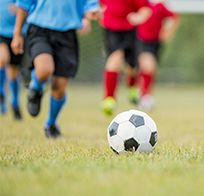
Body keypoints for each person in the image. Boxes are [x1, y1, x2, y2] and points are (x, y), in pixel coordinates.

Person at [11, 0, 99, 138]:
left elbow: (89, 5)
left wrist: (88, 17)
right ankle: (36, 88)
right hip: (40, 30)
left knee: (59, 88)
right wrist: (17, 34)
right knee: (45, 69)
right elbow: (23, 5)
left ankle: (50, 124)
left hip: (67, 35)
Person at [100, 0, 151, 116]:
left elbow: (145, 9)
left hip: (129, 30)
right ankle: (109, 99)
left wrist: (139, 17)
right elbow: (97, 5)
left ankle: (133, 87)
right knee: (115, 59)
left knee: (132, 67)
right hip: (111, 29)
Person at [136, 0, 180, 111]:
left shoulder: (160, 6)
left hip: (155, 43)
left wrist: (169, 31)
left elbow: (175, 17)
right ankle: (144, 96)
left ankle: (143, 94)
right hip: (140, 40)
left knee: (150, 69)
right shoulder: (140, 3)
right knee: (148, 65)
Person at [0, 0, 26, 120]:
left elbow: (34, 10)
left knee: (13, 72)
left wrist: (20, 11)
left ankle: (14, 102)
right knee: (2, 59)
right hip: (1, 33)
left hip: (18, 34)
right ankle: (1, 93)